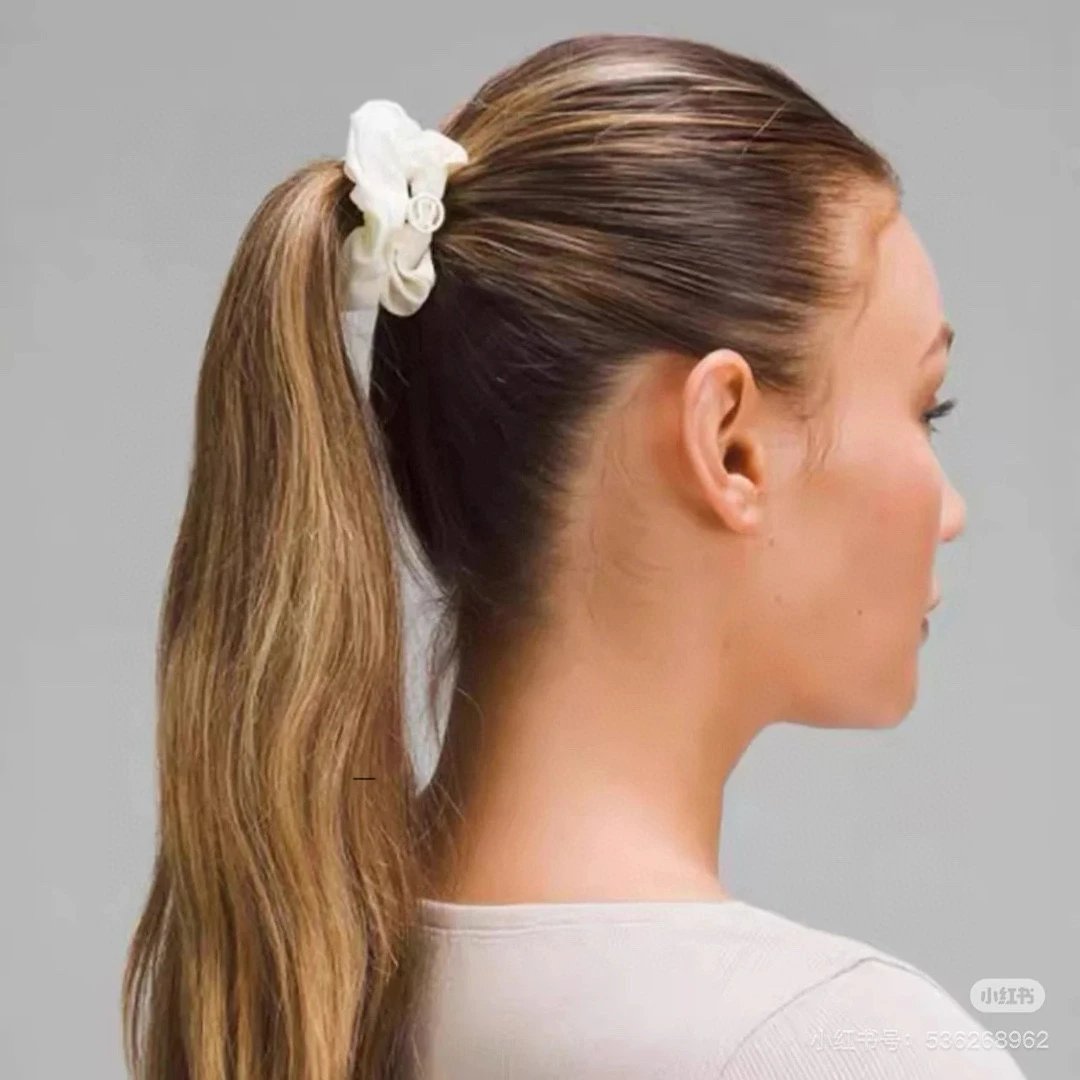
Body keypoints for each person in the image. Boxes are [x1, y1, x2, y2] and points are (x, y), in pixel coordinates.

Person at [122, 31, 1028, 1080]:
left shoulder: (283, 999)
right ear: (728, 441)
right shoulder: (852, 1048)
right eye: (925, 408)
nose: (951, 511)